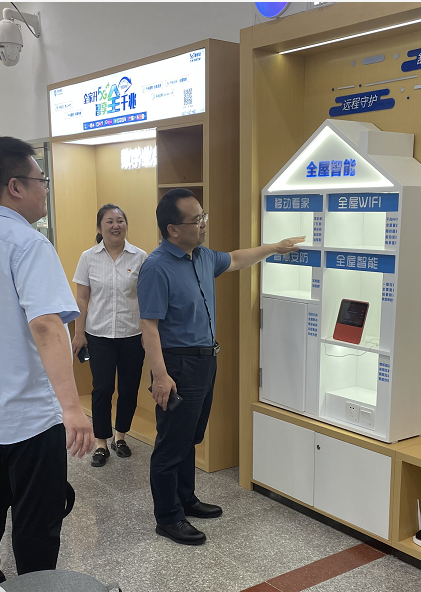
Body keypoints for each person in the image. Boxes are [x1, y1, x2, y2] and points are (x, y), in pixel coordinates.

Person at [0, 136, 95, 584]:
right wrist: (72, 407)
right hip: (30, 413)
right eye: (40, 180)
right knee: (37, 518)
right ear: (15, 186)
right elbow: (47, 325)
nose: (45, 189)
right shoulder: (29, 244)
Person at [138, 188, 304, 545]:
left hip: (205, 360)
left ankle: (186, 499)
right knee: (171, 444)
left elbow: (237, 259)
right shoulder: (156, 266)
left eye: (204, 216)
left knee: (190, 437)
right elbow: (148, 327)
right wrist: (161, 376)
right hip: (177, 365)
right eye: (196, 220)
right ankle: (168, 517)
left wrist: (274, 247)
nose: (203, 224)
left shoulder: (201, 256)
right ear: (172, 229)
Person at [71, 204, 147, 467]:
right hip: (99, 334)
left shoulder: (140, 256)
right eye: (109, 221)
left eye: (120, 220)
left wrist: (149, 334)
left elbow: (146, 298)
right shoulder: (88, 257)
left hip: (132, 334)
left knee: (129, 388)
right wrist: (79, 333)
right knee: (102, 389)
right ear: (99, 227)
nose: (116, 225)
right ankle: (101, 442)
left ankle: (121, 436)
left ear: (126, 224)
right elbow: (82, 298)